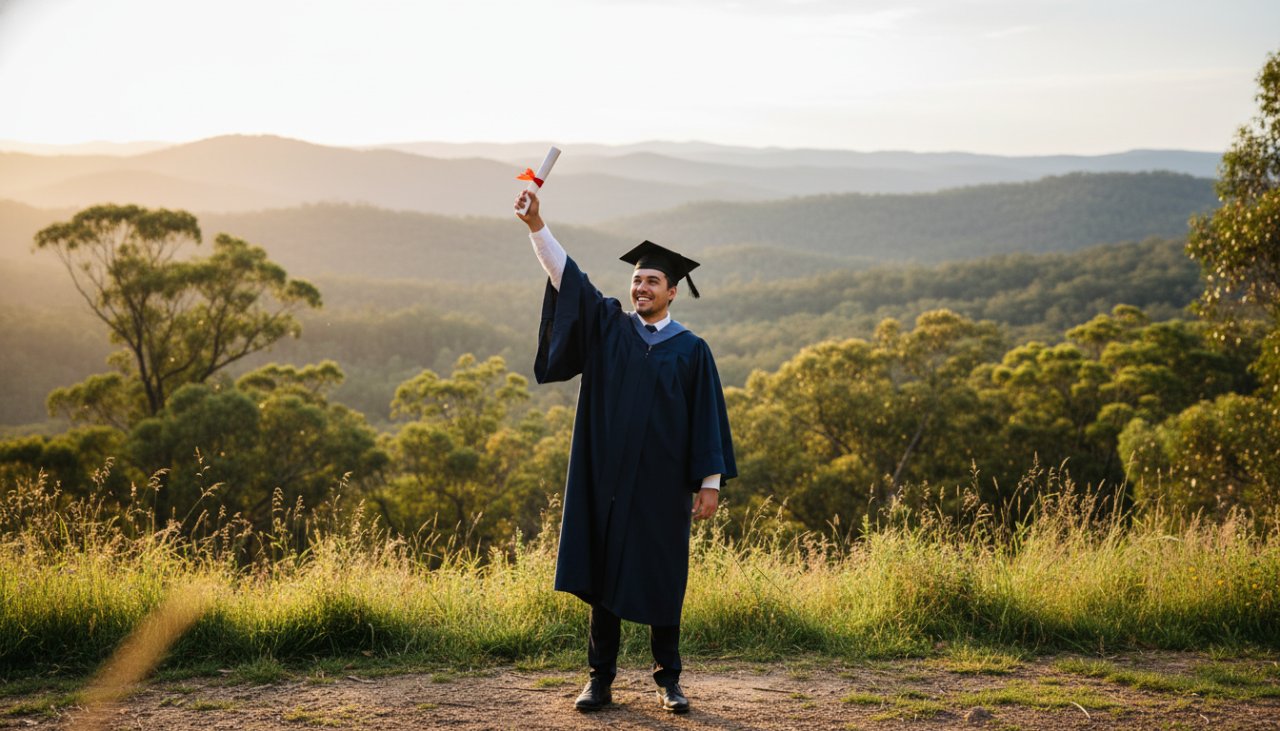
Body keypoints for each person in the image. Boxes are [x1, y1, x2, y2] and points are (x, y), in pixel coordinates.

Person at [515, 190, 736, 714]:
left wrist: (709, 484)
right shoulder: (611, 328)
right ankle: (600, 679)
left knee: (663, 576)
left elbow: (707, 417)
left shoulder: (691, 350)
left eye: (652, 281)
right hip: (607, 482)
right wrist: (536, 225)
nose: (641, 287)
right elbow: (566, 277)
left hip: (662, 487)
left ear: (672, 292)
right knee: (602, 575)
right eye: (636, 280)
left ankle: (669, 680)